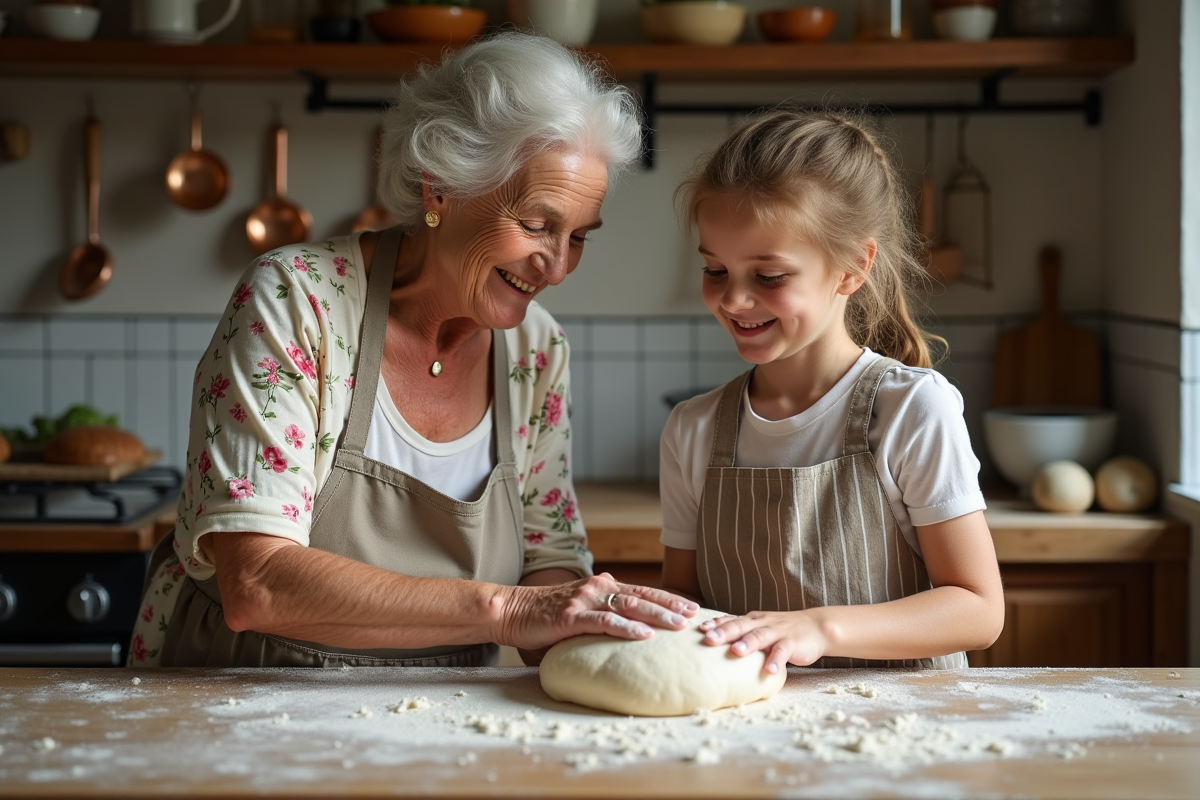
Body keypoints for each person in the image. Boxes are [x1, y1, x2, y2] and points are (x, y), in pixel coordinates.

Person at [129, 32, 696, 668]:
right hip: (249, 686)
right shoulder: (299, 302)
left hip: (450, 713)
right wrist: (508, 612)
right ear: (440, 187)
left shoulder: (536, 350)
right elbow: (256, 584)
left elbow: (548, 558)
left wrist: (603, 629)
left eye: (579, 237)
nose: (558, 267)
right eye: (537, 226)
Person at [659, 110, 1004, 673]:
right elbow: (689, 607)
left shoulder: (910, 409)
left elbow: (979, 610)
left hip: (909, 740)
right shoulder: (692, 429)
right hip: (751, 743)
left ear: (851, 267)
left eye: (768, 277)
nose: (733, 300)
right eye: (715, 270)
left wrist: (821, 626)